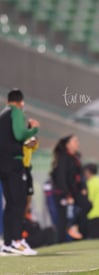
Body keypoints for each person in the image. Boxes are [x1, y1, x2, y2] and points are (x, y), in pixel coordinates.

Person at [0, 88, 39, 255]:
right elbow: (19, 134)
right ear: (20, 102)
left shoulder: (2, 115)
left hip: (2, 164)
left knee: (10, 204)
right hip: (14, 164)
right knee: (19, 202)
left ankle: (7, 243)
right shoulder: (16, 112)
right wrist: (33, 129)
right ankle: (17, 241)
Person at [51, 135, 91, 243]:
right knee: (62, 219)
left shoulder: (76, 157)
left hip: (75, 190)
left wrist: (83, 187)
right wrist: (66, 194)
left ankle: (73, 226)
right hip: (63, 192)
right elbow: (61, 177)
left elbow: (79, 175)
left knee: (87, 205)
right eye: (75, 141)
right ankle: (61, 241)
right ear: (68, 144)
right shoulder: (63, 158)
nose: (78, 143)